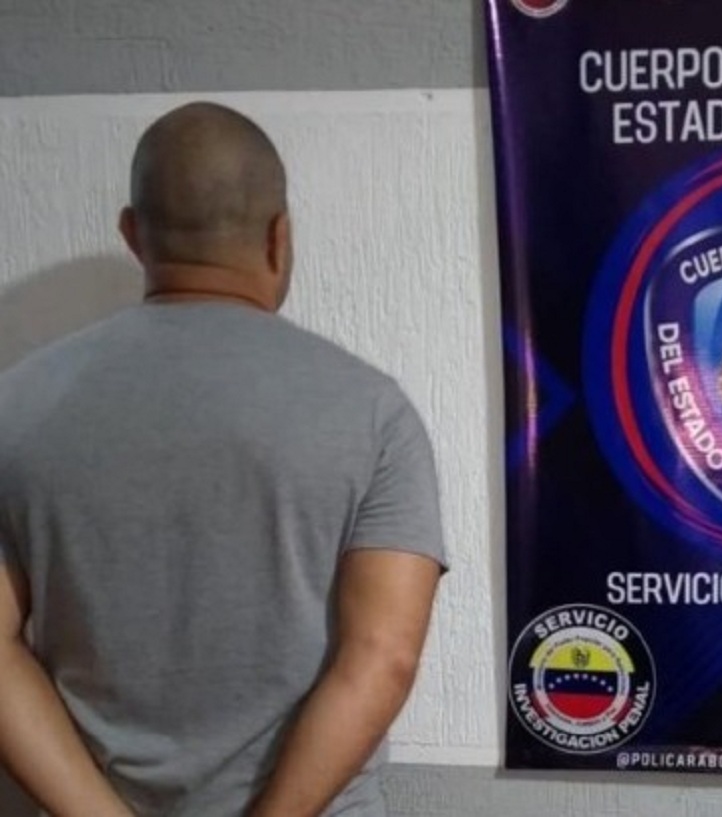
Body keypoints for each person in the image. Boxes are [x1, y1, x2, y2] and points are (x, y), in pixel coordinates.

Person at [0, 102, 447, 816]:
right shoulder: (373, 413)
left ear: (132, 234)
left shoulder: (16, 404)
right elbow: (382, 656)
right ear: (279, 236)